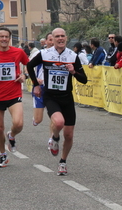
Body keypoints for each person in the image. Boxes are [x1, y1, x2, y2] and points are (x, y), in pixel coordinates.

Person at [27, 28, 88, 176]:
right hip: (51, 96)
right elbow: (29, 66)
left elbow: (84, 79)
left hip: (67, 98)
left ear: (66, 38)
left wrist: (74, 71)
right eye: (57, 36)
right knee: (59, 123)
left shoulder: (73, 56)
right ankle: (54, 138)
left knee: (69, 135)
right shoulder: (45, 54)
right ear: (52, 39)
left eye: (62, 36)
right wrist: (35, 84)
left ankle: (63, 162)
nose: (60, 39)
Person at [0, 26, 29, 167]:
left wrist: (24, 75)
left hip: (14, 93)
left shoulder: (18, 52)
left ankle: (11, 135)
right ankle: (3, 155)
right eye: (1, 37)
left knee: (19, 124)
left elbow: (28, 65)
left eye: (7, 37)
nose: (4, 39)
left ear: (9, 38)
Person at [30, 32, 54, 127]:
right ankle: (35, 119)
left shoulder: (62, 54)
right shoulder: (39, 53)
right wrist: (36, 79)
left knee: (55, 117)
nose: (52, 42)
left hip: (53, 89)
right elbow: (27, 68)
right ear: (46, 41)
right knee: (38, 120)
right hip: (40, 87)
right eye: (50, 40)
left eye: (54, 40)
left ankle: (53, 140)